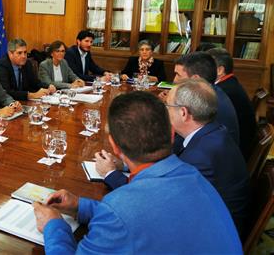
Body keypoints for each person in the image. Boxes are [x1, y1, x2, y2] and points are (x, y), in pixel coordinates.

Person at [32, 91, 242, 253]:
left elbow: (128, 214)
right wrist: (80, 206)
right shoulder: (194, 175)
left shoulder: (120, 209)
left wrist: (54, 226)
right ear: (171, 134)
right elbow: (147, 216)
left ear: (114, 147)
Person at [98, 79, 250, 237]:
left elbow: (150, 203)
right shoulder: (210, 132)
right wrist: (125, 164)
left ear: (183, 113)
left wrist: (110, 174)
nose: (164, 110)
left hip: (210, 235)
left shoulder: (200, 157)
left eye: (167, 106)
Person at [165, 51, 240, 145]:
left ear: (196, 79)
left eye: (178, 75)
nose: (174, 80)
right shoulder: (212, 92)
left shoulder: (208, 103)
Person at [208, 48, 257, 161]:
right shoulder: (229, 84)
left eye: (207, 65)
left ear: (220, 70)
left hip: (234, 153)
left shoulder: (223, 91)